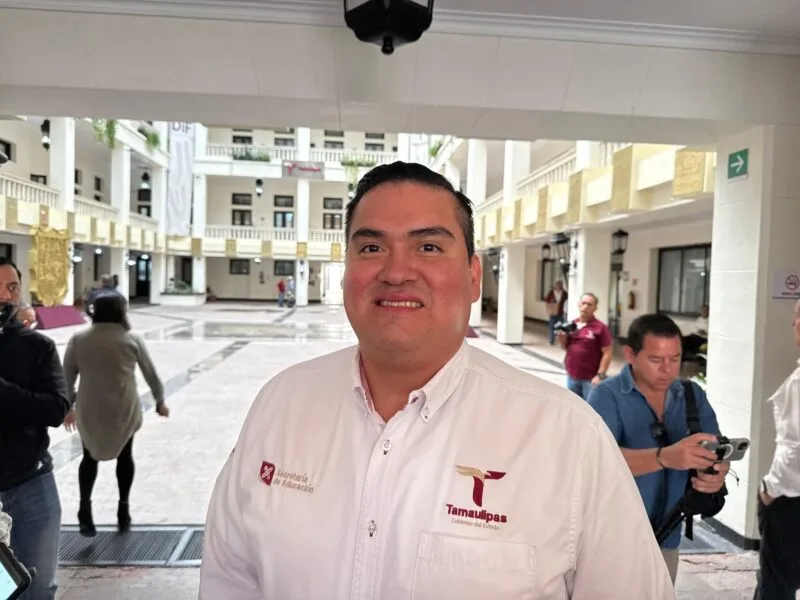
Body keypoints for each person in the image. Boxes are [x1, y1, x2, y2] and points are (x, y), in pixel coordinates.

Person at [199, 162, 674, 599]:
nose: (396, 272)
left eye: (428, 247)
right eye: (371, 247)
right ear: (345, 273)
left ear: (473, 276)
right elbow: (229, 580)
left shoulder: (566, 435)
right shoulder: (281, 404)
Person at [588, 313, 729, 584]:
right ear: (630, 354)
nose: (667, 369)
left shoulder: (691, 395)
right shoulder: (606, 396)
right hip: (613, 539)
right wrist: (664, 457)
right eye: (655, 360)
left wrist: (716, 473)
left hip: (668, 536)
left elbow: (715, 448)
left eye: (675, 359)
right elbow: (596, 462)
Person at [62, 293, 168, 536]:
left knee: (89, 458)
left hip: (90, 409)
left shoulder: (79, 340)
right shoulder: (132, 339)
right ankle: (123, 508)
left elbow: (66, 378)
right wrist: (160, 401)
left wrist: (68, 408)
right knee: (125, 457)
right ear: (122, 311)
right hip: (123, 408)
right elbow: (151, 373)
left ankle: (84, 510)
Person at [0, 258, 70, 600]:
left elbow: (56, 408)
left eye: (12, 287)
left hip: (30, 485)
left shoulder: (37, 347)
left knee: (38, 586)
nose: (5, 296)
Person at [753, 298, 800, 599]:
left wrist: (771, 489)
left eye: (797, 316)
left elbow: (797, 450)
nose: (793, 323)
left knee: (777, 585)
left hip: (791, 500)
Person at [558, 292, 613, 400]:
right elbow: (565, 347)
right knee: (573, 405)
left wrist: (600, 375)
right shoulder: (572, 324)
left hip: (590, 379)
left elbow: (607, 353)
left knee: (590, 407)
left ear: (595, 308)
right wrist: (561, 339)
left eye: (589, 304)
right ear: (579, 304)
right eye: (583, 303)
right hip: (572, 376)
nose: (585, 307)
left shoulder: (601, 328)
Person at [545, 280, 568, 344]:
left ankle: (561, 340)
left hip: (561, 312)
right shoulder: (551, 292)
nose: (558, 286)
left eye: (560, 285)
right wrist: (551, 301)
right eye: (557, 285)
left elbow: (567, 300)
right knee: (552, 327)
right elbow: (547, 299)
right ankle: (551, 340)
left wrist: (565, 310)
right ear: (555, 285)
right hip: (553, 312)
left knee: (561, 327)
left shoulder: (564, 293)